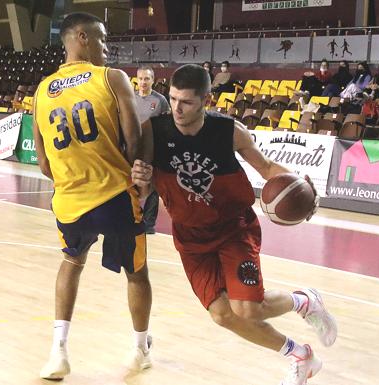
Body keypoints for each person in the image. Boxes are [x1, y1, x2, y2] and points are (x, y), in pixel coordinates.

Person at [132, 64, 337, 385]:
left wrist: (304, 189)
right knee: (222, 314)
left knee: (249, 310)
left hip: (232, 229)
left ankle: (305, 300)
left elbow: (267, 167)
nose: (176, 108)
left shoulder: (229, 130)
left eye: (185, 102)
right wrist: (141, 180)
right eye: (172, 99)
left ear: (206, 100)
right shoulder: (153, 131)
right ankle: (300, 355)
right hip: (190, 237)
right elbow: (144, 190)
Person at [32, 12, 152, 380]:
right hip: (115, 194)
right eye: (101, 39)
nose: (106, 47)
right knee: (136, 272)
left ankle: (58, 352)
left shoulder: (41, 90)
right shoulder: (111, 77)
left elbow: (42, 164)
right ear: (81, 37)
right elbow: (133, 137)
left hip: (69, 201)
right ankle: (139, 349)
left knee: (71, 263)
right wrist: (138, 169)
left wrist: (70, 177)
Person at [135, 65, 170, 234]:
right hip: (133, 147)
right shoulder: (130, 98)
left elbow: (167, 124)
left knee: (152, 185)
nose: (143, 82)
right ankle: (130, 217)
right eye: (140, 78)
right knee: (130, 182)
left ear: (153, 80)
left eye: (147, 78)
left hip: (154, 148)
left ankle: (148, 223)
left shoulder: (161, 101)